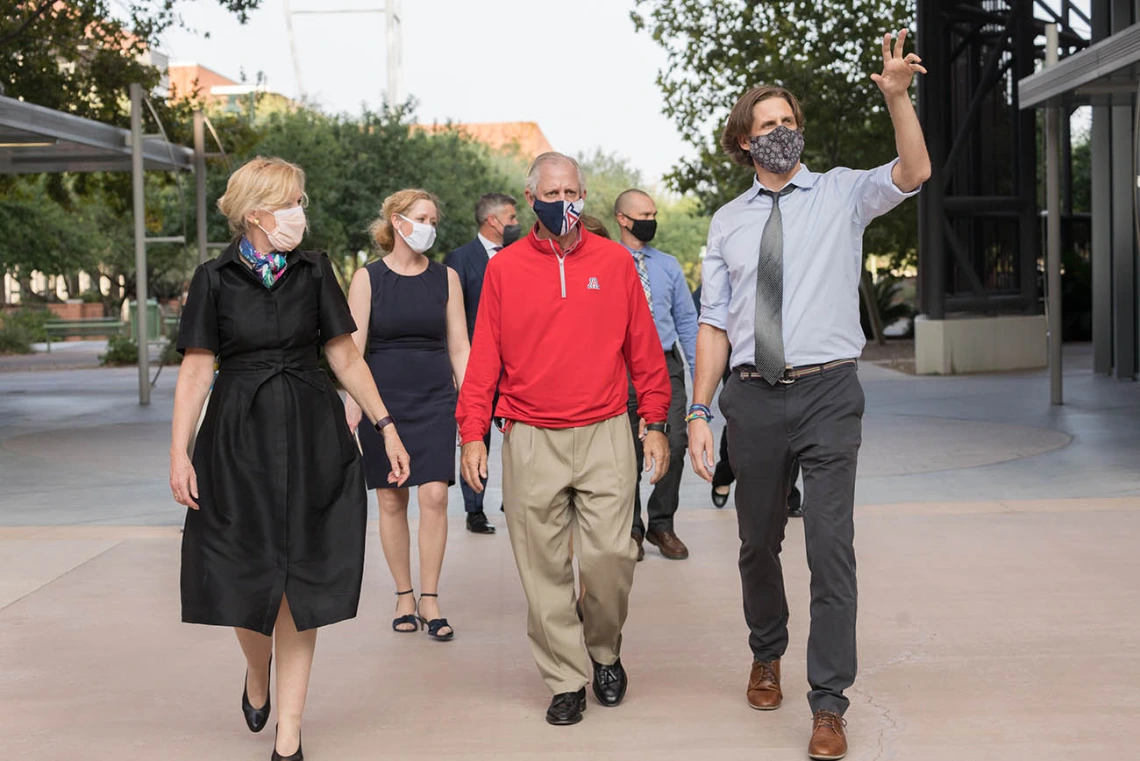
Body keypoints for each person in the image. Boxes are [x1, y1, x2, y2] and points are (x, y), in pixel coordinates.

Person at [687, 30, 930, 761]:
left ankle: (829, 701)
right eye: (766, 126)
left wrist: (897, 96)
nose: (781, 134)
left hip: (829, 393)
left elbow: (914, 169)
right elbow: (714, 325)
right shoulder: (727, 223)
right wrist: (699, 411)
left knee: (831, 547)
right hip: (752, 400)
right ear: (742, 142)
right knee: (758, 540)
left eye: (788, 122)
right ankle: (767, 649)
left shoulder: (841, 192)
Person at [169, 156, 410, 761]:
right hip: (236, 441)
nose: (301, 213)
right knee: (245, 582)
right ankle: (257, 672)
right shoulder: (214, 278)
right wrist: (179, 452)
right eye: (291, 202)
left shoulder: (315, 270)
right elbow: (197, 370)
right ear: (257, 213)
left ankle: (290, 736)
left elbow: (346, 359)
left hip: (312, 437)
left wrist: (386, 425)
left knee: (299, 585)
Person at [457, 152, 671, 726]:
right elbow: (484, 362)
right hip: (529, 434)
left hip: (605, 431)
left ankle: (603, 650)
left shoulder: (616, 263)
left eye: (572, 192)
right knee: (542, 567)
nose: (563, 203)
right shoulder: (503, 271)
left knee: (610, 557)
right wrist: (472, 435)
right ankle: (565, 677)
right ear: (530, 199)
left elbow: (645, 352)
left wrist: (654, 423)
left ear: (584, 195)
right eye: (552, 194)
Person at [344, 189, 469, 642]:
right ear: (398, 222)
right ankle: (403, 593)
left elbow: (459, 345)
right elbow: (353, 351)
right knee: (392, 498)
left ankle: (431, 598)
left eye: (434, 218)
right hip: (384, 401)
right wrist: (353, 404)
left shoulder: (447, 279)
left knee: (435, 495)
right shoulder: (367, 278)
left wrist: (470, 405)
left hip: (437, 397)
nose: (429, 226)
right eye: (422, 217)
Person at [614, 189, 699, 560]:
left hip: (666, 364)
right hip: (621, 366)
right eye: (644, 214)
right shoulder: (606, 262)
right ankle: (631, 528)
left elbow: (686, 321)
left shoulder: (667, 265)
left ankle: (662, 525)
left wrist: (701, 378)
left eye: (654, 213)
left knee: (675, 442)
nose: (652, 220)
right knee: (624, 451)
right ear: (622, 219)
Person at [443, 193, 520, 535]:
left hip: (520, 364)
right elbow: (450, 318)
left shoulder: (523, 257)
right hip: (477, 363)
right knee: (477, 436)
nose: (518, 224)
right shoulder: (458, 260)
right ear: (493, 220)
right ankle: (475, 510)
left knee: (523, 436)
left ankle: (518, 499)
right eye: (513, 218)